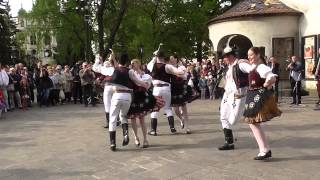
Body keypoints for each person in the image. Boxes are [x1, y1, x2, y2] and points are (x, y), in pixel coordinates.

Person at [93, 53, 149, 151]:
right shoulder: (130, 71)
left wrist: (98, 59)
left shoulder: (112, 70)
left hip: (117, 95)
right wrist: (146, 85)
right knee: (123, 116)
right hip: (127, 96)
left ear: (118, 61)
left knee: (113, 118)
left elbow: (96, 68)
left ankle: (113, 143)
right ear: (127, 62)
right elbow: (138, 82)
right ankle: (126, 134)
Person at [244, 47, 282, 160]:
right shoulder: (253, 66)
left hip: (257, 96)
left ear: (258, 55)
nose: (249, 57)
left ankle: (265, 150)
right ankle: (264, 150)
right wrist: (241, 61)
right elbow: (245, 64)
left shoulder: (261, 67)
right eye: (248, 55)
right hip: (252, 96)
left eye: (251, 55)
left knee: (253, 123)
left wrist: (268, 82)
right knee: (253, 124)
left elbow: (272, 77)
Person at [218, 46, 251, 151]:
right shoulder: (228, 67)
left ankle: (230, 141)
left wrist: (250, 62)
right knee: (223, 117)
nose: (223, 59)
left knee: (232, 121)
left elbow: (252, 69)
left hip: (238, 95)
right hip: (227, 95)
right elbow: (226, 81)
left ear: (230, 56)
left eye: (225, 57)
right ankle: (229, 142)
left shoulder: (241, 64)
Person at [147, 49, 185, 136]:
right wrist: (182, 68)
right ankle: (172, 128)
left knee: (155, 108)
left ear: (157, 57)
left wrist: (154, 56)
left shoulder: (151, 65)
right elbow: (180, 73)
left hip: (156, 89)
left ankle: (153, 130)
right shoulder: (167, 66)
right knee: (167, 108)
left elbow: (151, 62)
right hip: (166, 88)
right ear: (164, 57)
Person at [128, 59, 164, 148]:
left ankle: (145, 139)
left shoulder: (146, 75)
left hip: (142, 97)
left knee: (141, 119)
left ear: (138, 64)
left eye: (134, 63)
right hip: (133, 97)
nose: (132, 64)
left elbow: (147, 86)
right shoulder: (130, 74)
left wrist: (138, 80)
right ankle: (136, 137)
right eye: (131, 63)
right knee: (132, 119)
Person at [169, 55, 193, 134]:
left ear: (176, 59)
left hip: (181, 88)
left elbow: (185, 76)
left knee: (184, 108)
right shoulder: (168, 68)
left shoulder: (181, 67)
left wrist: (177, 74)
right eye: (170, 59)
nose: (171, 60)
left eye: (172, 58)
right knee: (175, 109)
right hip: (173, 89)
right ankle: (181, 119)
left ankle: (187, 127)